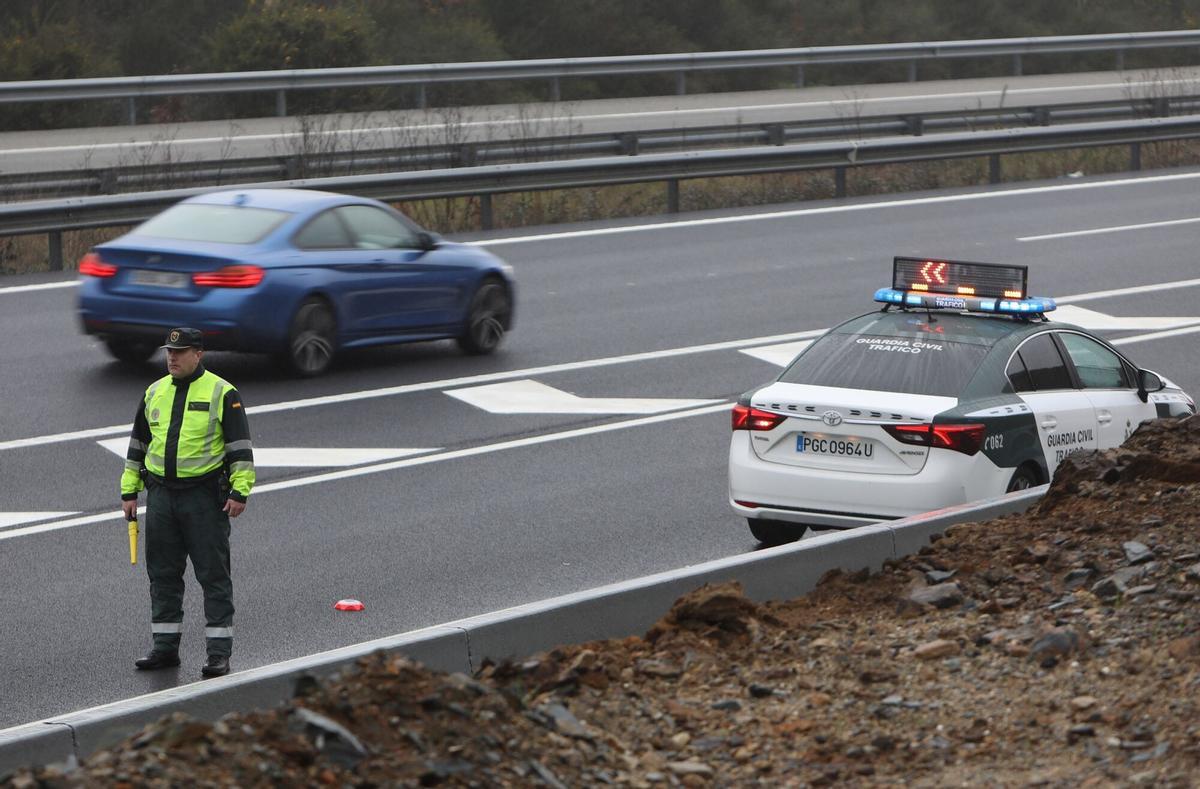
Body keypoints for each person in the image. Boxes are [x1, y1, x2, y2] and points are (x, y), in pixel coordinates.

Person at [119, 327, 255, 678]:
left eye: (180, 352)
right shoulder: (154, 392)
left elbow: (239, 448)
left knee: (213, 575)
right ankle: (165, 649)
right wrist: (129, 490)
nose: (172, 358)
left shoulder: (223, 393)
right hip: (161, 496)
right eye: (169, 352)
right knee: (162, 574)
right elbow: (138, 445)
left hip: (203, 499)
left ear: (199, 354)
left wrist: (240, 491)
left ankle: (218, 654)